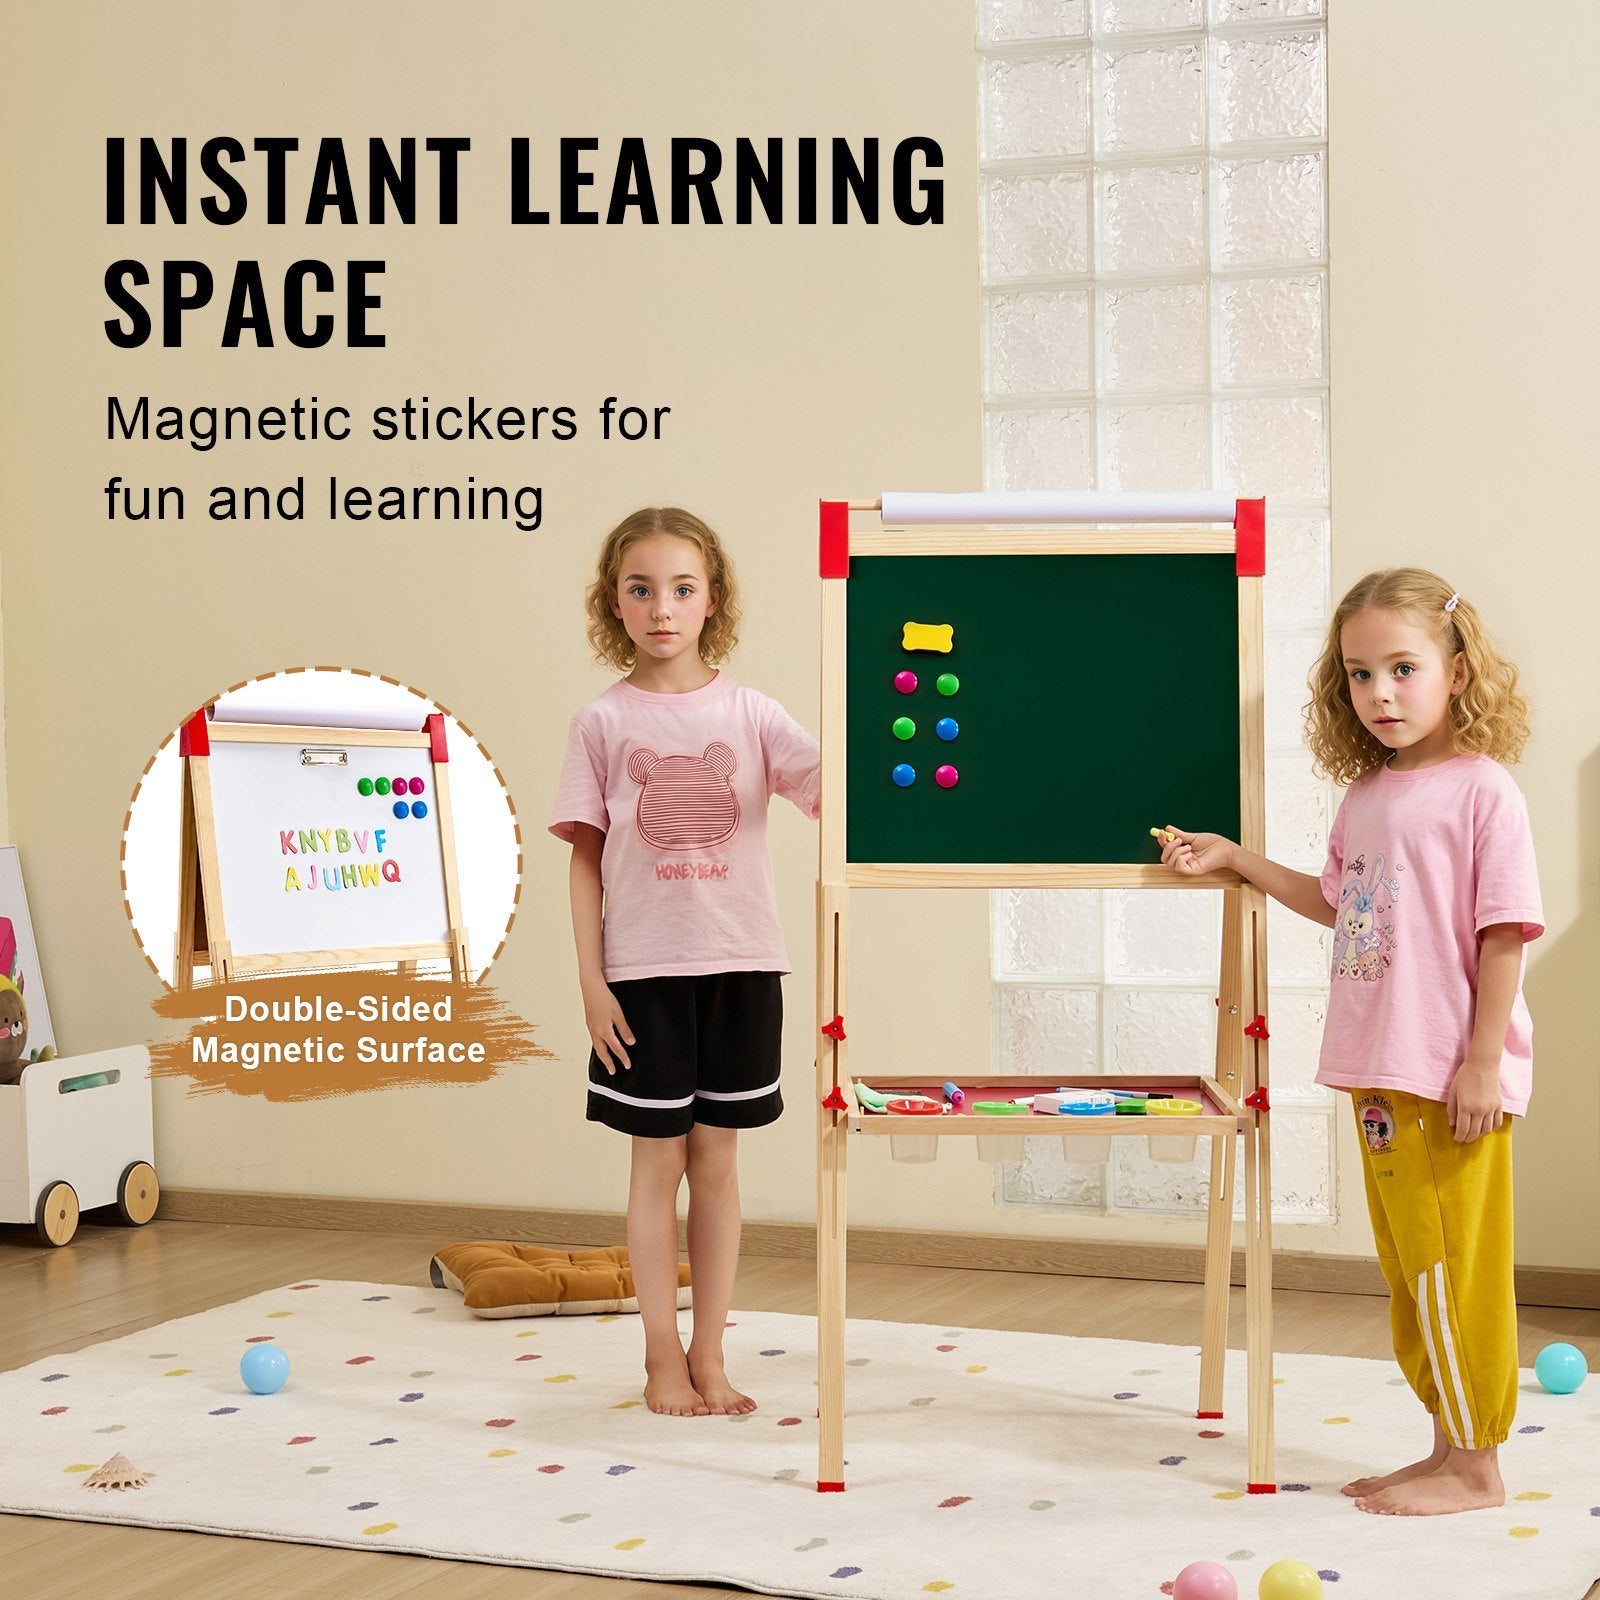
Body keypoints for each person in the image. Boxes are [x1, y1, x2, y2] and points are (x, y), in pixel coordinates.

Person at [1159, 567, 1540, 1517]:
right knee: (1416, 1273)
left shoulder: (1483, 791)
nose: (1380, 694)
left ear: (1458, 671)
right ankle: (1448, 1444)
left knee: (1456, 1271)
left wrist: (1483, 1060)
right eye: (1359, 675)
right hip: (1378, 1074)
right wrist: (1236, 858)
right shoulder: (1367, 798)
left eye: (1403, 669)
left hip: (1447, 1073)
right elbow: (1341, 907)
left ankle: (1476, 1467)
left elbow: (1504, 932)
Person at [550, 507, 819, 1417]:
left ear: (712, 601)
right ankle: (660, 1357)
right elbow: (585, 859)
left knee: (717, 1167)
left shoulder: (752, 715)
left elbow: (833, 792)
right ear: (613, 605)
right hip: (641, 978)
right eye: (641, 588)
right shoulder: (602, 722)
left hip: (742, 966)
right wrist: (592, 985)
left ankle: (710, 1353)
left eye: (682, 587)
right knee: (654, 1169)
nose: (662, 606)